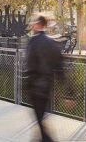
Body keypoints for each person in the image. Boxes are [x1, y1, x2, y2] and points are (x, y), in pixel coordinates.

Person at [24, 14, 73, 142]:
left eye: (34, 23)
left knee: (40, 122)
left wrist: (26, 85)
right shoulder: (52, 43)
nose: (32, 25)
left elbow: (29, 65)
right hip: (47, 88)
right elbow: (60, 69)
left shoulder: (32, 41)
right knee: (40, 121)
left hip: (35, 88)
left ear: (38, 25)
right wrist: (69, 93)